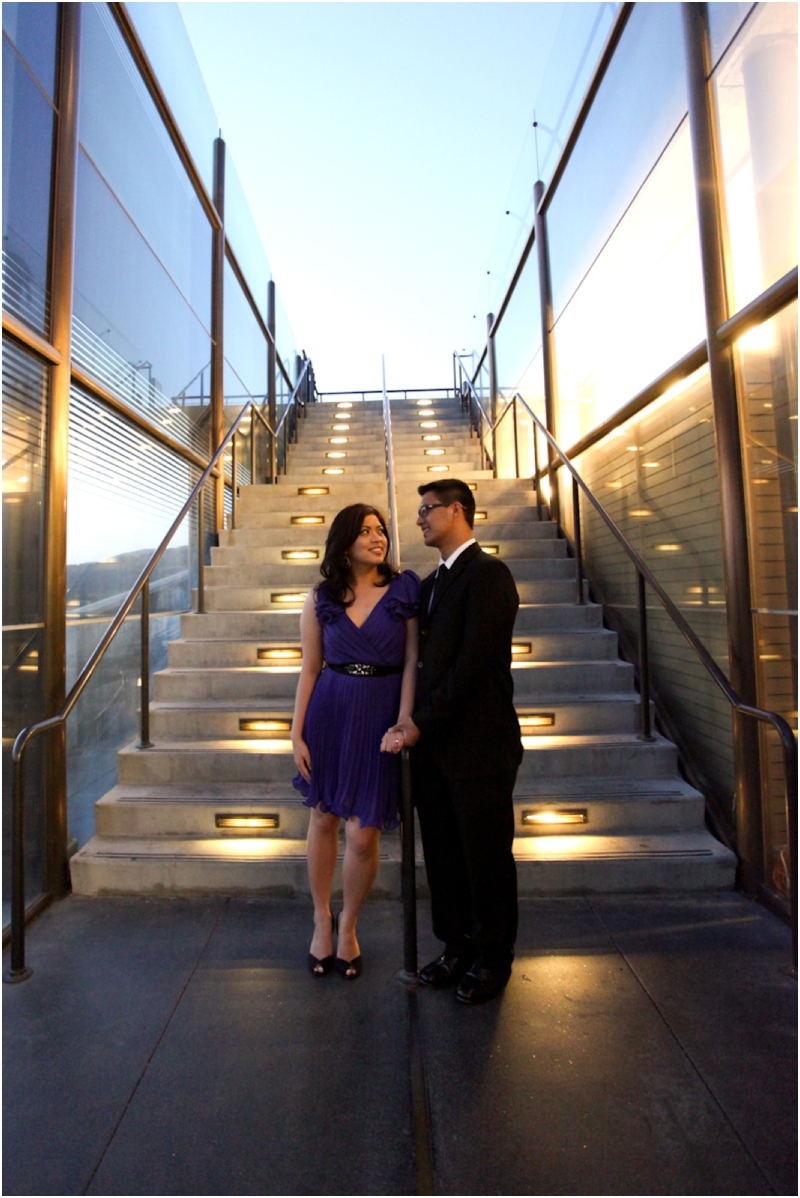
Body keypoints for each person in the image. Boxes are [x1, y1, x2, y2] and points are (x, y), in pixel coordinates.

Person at [382, 479, 522, 1005]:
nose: (419, 518)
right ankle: (456, 947)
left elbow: (473, 666)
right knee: (442, 856)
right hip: (434, 750)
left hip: (480, 748)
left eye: (427, 509)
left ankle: (493, 958)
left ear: (457, 510)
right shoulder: (430, 583)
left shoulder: (489, 575)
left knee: (485, 858)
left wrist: (421, 722)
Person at [292, 504, 420, 979]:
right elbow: (309, 669)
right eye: (365, 531)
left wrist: (404, 719)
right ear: (344, 542)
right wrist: (296, 733)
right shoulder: (321, 598)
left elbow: (412, 661)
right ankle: (321, 919)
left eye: (381, 529)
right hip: (330, 710)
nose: (377, 537)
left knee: (363, 833)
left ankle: (349, 922)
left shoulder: (404, 590)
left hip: (381, 713)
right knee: (323, 817)